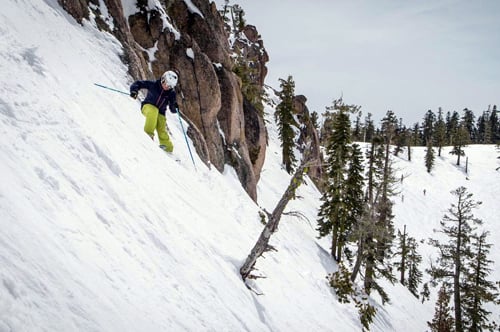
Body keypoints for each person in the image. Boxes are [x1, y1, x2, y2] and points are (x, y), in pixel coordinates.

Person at [129, 70, 179, 152]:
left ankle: (168, 147)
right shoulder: (153, 84)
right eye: (165, 83)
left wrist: (174, 106)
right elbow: (138, 83)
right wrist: (134, 91)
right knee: (153, 111)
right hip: (147, 106)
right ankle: (148, 135)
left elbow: (172, 109)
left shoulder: (171, 94)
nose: (166, 86)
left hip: (161, 113)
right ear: (162, 79)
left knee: (161, 126)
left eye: (169, 86)